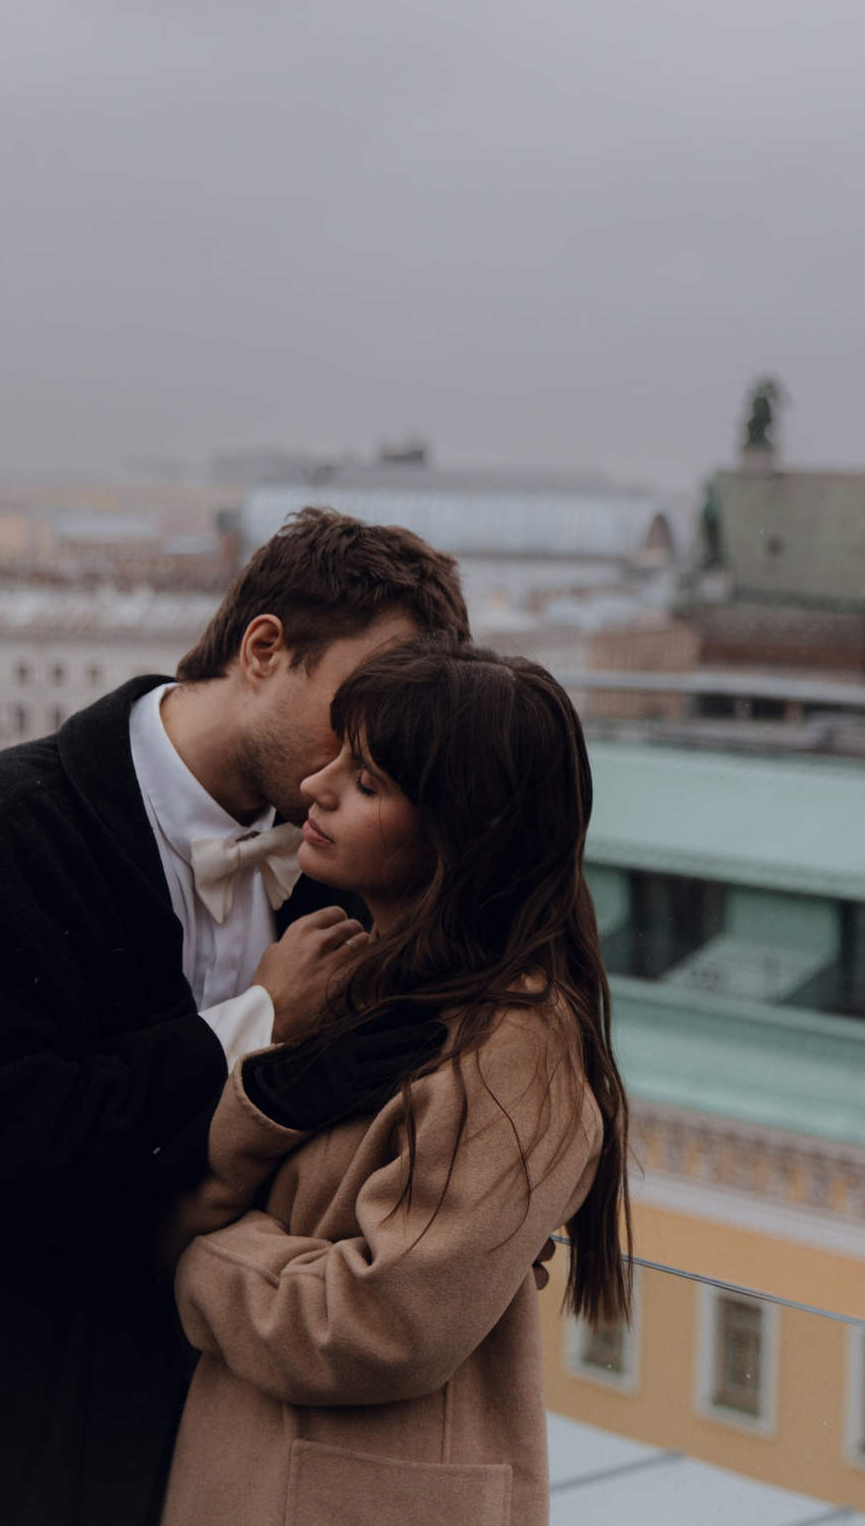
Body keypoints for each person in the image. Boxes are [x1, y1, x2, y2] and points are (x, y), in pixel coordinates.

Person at [0, 509, 470, 1526]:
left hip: (191, 1458)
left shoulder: (340, 871)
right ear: (263, 649)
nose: (374, 753)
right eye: (361, 706)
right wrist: (255, 1019)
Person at [151, 640, 632, 1526]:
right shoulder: (350, 978)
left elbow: (378, 1325)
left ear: (460, 829)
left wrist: (193, 1249)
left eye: (366, 781)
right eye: (338, 755)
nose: (316, 786)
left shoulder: (517, 1048)